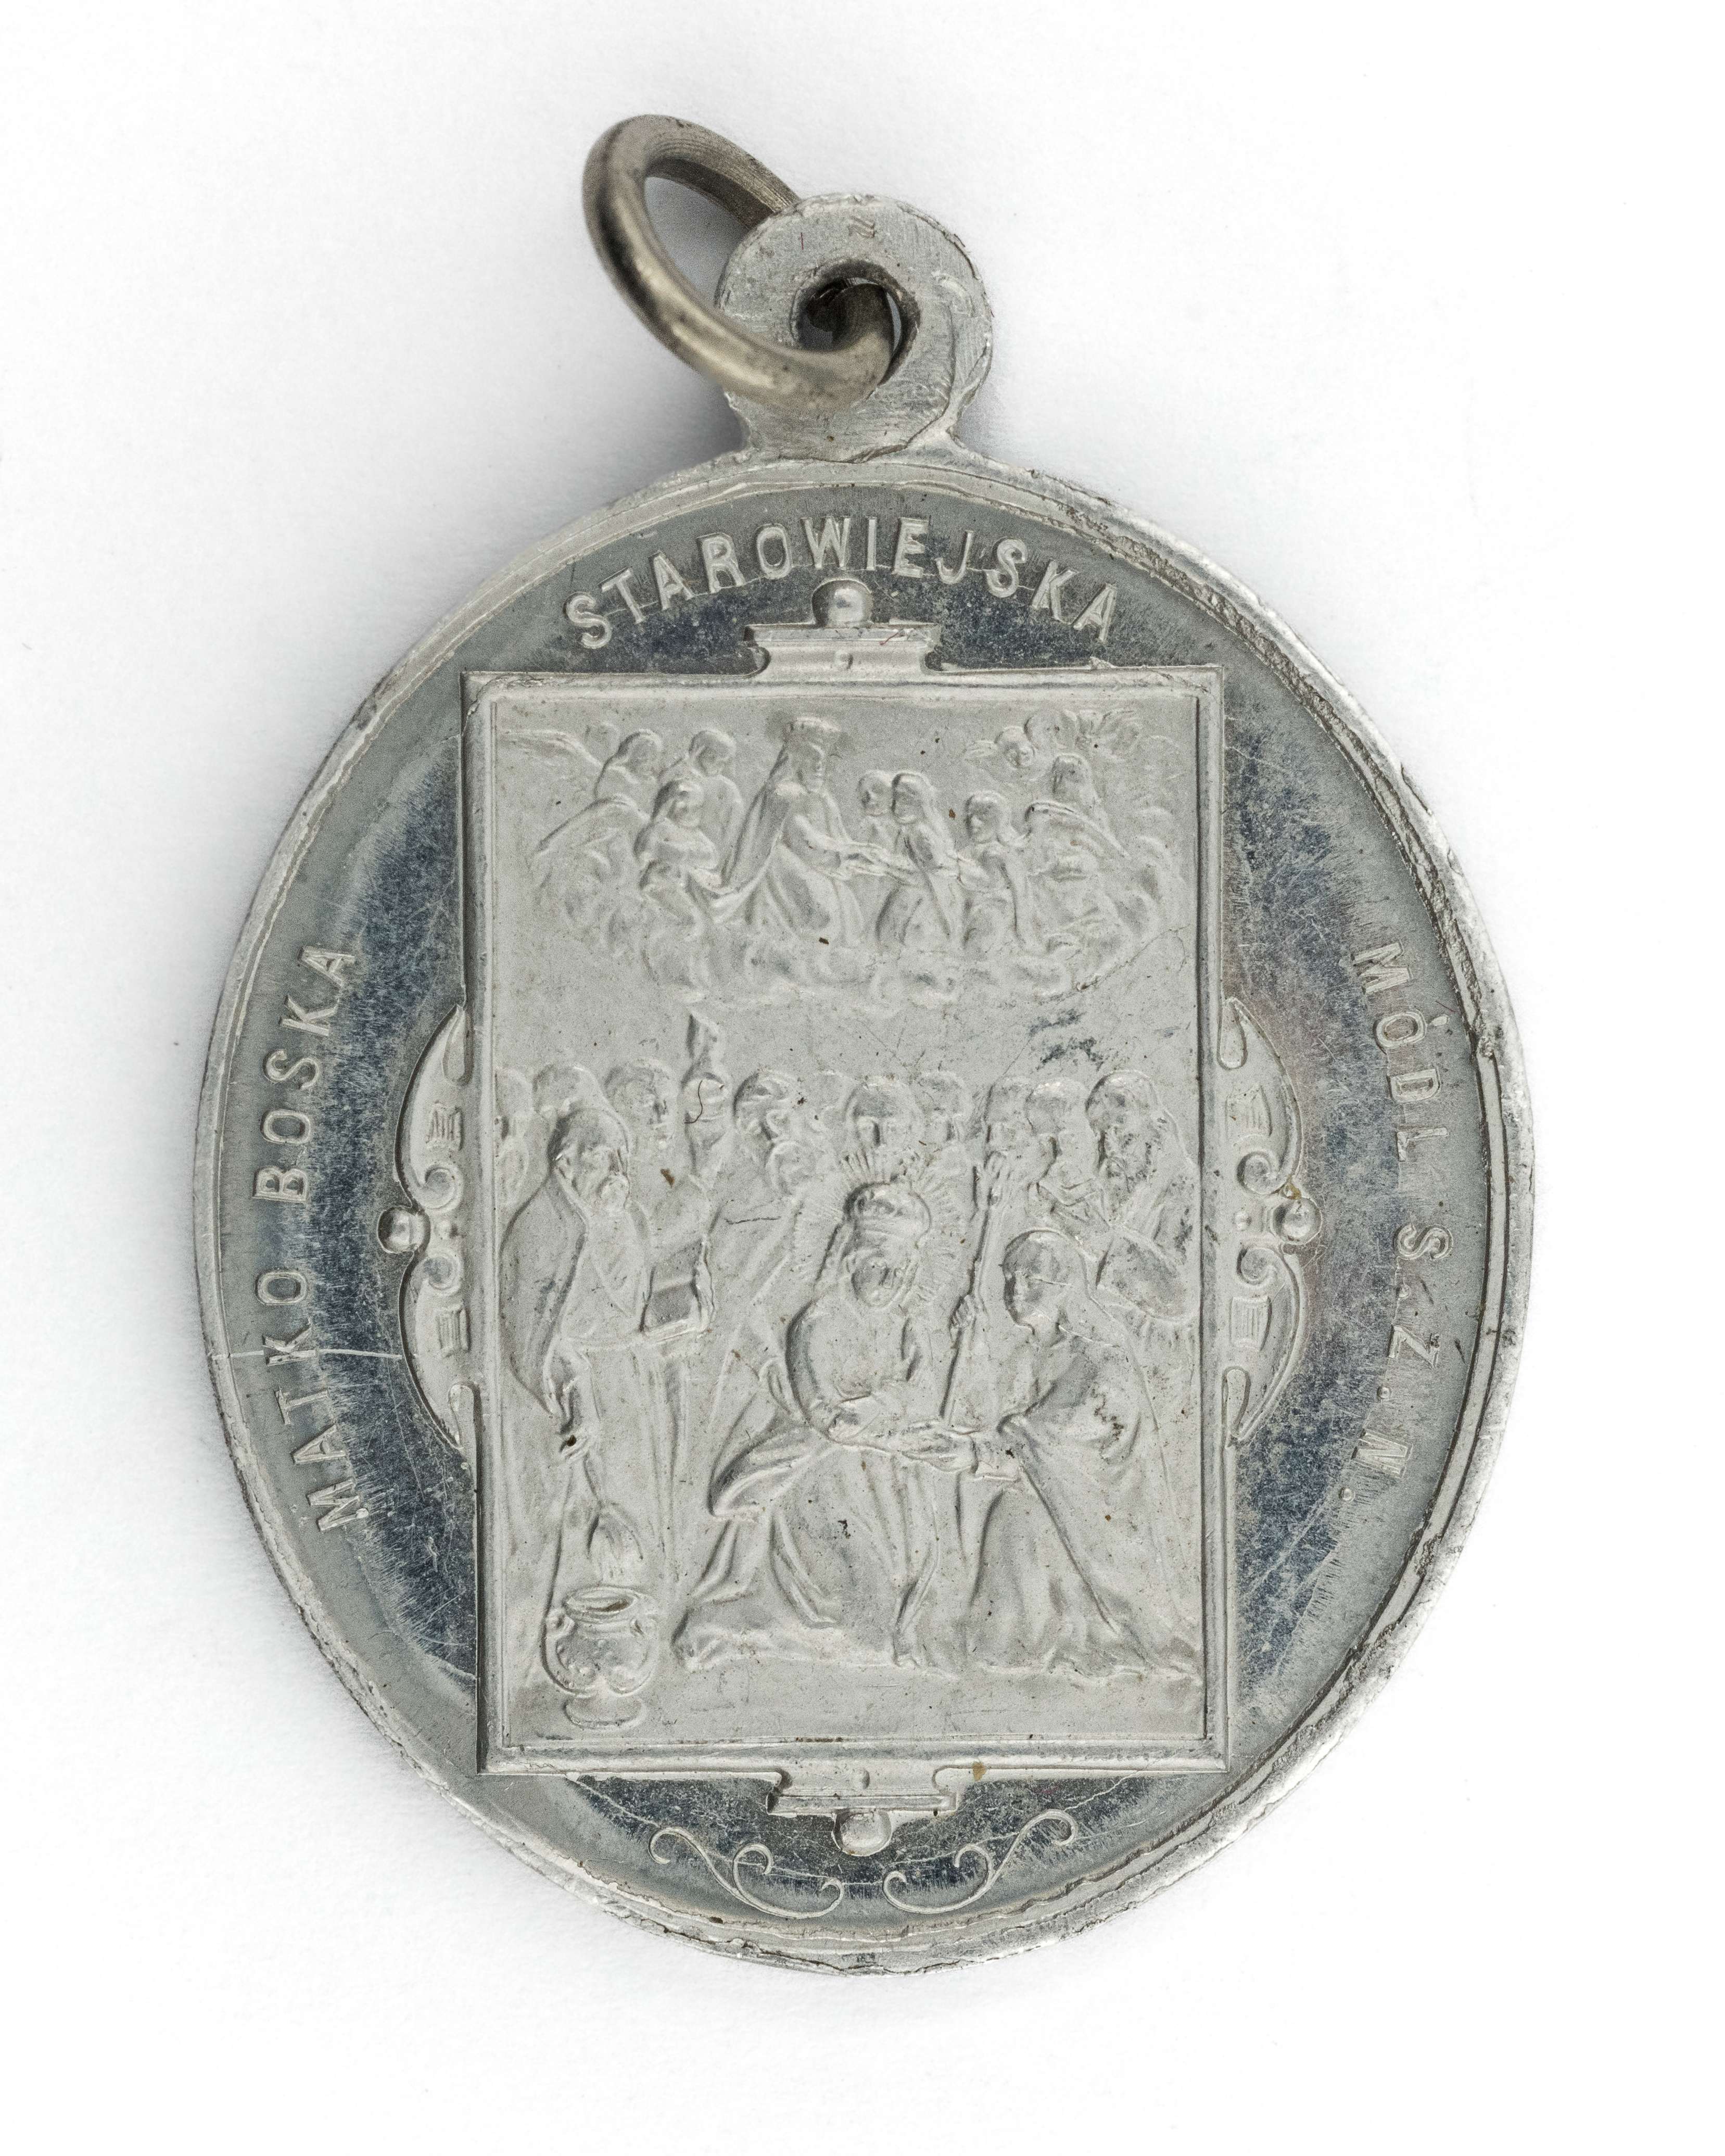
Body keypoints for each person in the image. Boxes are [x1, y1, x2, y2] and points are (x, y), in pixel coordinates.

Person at [675, 1182, 969, 1668]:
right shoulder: (820, 1322)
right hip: (823, 1478)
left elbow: (923, 1393)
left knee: (919, 1614)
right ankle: (728, 1626)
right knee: (869, 1626)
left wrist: (903, 1406)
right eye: (879, 1264)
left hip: (892, 1489)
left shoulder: (907, 1326)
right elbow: (828, 1417)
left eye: (901, 1269)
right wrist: (888, 1417)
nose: (890, 1279)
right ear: (853, 1259)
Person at [966, 1229, 1198, 1684]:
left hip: (1103, 1513)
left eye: (1032, 1280)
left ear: (1065, 1288)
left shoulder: (1098, 1362)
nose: (1016, 1291)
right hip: (1045, 1491)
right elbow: (985, 1422)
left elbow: (1046, 1442)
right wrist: (973, 1346)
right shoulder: (1021, 1358)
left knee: (1016, 1513)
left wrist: (979, 1451)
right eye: (1010, 1279)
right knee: (1012, 1510)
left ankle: (1059, 1633)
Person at [497, 1102, 671, 1688]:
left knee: (634, 1529)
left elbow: (632, 1305)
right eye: (601, 1158)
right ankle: (535, 1658)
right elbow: (532, 1332)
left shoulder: (626, 1219)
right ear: (566, 1164)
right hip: (561, 1404)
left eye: (620, 1158)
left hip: (629, 1387)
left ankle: (634, 1649)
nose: (616, 1170)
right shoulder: (541, 1226)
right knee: (563, 1534)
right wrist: (579, 1396)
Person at [720, 715, 885, 949]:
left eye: (824, 760)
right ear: (796, 759)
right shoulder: (786, 793)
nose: (820, 766)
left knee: (845, 903)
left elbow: (836, 837)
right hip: (781, 864)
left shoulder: (822, 798)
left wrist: (861, 853)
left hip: (815, 862)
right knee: (823, 912)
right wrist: (857, 850)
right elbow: (807, 838)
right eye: (812, 758)